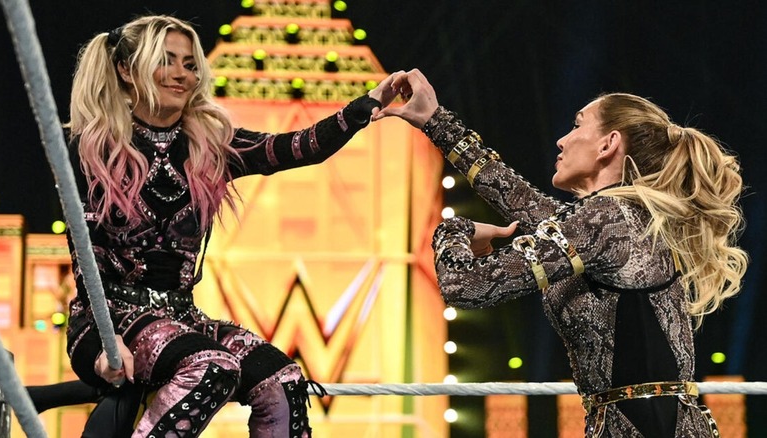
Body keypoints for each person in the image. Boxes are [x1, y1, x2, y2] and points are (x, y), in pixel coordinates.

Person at [63, 15, 398, 437]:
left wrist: (365, 105)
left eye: (189, 64)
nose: (182, 74)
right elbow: (83, 258)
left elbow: (297, 148)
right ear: (127, 71)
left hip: (183, 319)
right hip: (110, 322)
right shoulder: (88, 148)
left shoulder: (212, 146)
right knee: (210, 368)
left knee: (284, 382)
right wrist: (102, 348)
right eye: (167, 61)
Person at [375, 69, 747, 437]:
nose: (561, 140)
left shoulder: (606, 220)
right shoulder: (620, 220)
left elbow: (465, 286)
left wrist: (453, 230)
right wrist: (434, 121)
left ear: (608, 144)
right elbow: (516, 198)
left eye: (577, 125)